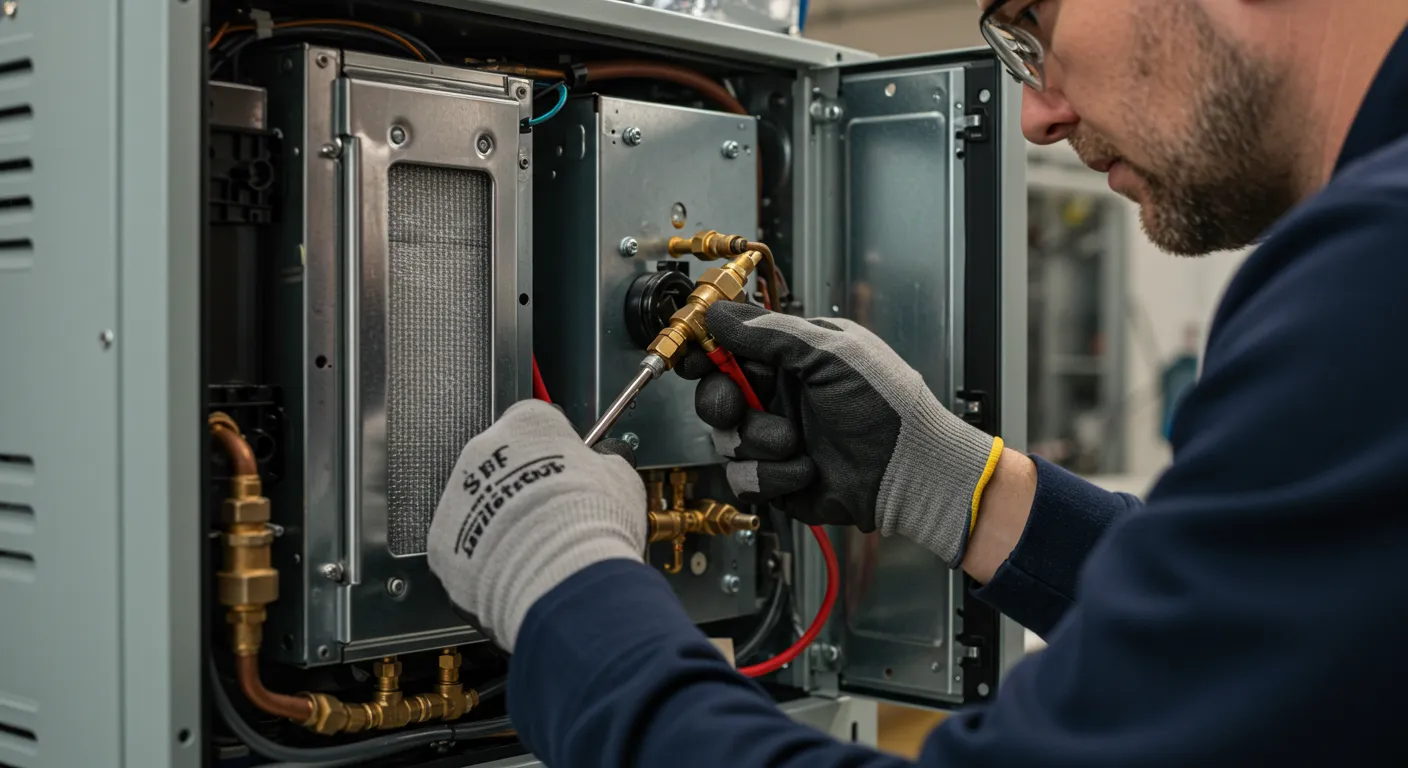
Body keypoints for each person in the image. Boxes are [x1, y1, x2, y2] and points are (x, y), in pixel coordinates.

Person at [427, 0, 1408, 764]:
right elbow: (1251, 648)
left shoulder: (1371, 274)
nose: (1035, 115)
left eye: (1034, 24)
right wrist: (948, 483)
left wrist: (563, 594)